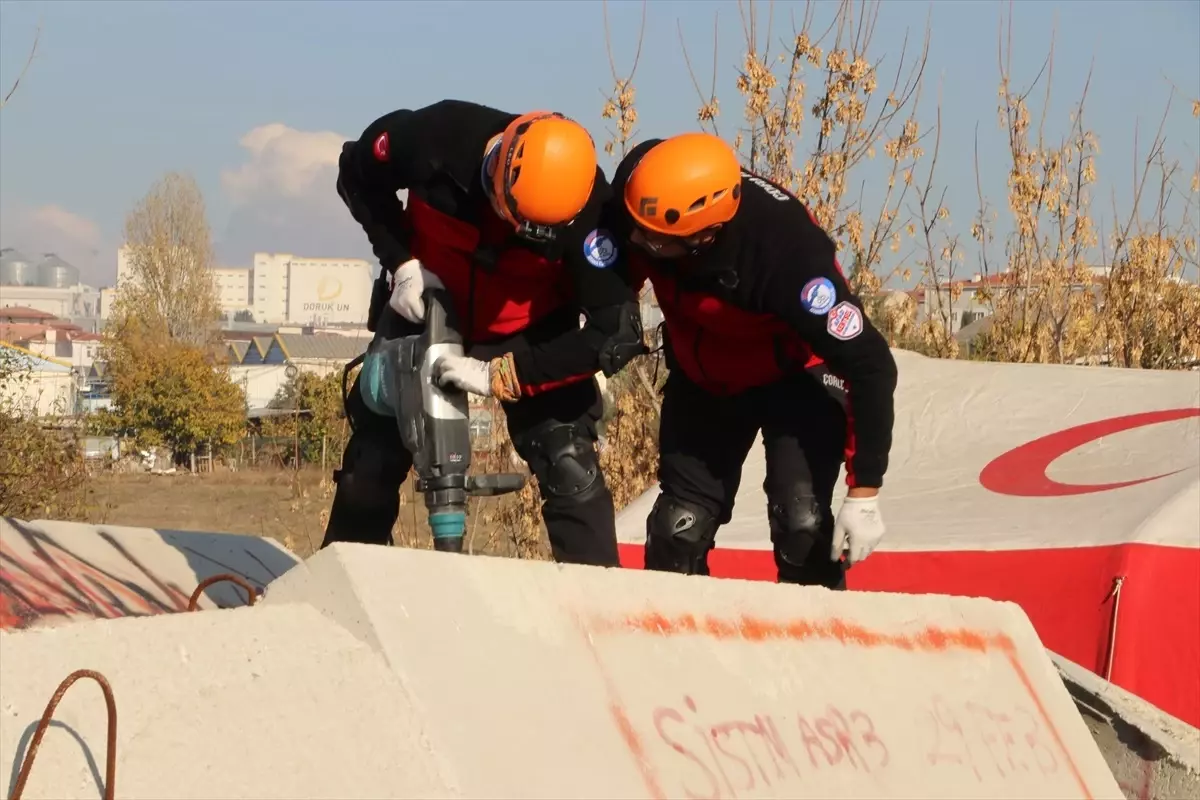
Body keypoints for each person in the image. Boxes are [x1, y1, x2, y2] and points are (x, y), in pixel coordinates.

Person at [324, 99, 645, 566]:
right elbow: (354, 172)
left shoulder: (594, 214)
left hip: (528, 329)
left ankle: (603, 617)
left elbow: (615, 332)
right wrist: (401, 261)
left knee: (571, 466)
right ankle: (338, 592)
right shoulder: (436, 136)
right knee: (368, 468)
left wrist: (507, 374)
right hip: (427, 304)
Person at [610, 132, 898, 589]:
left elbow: (873, 364)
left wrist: (865, 489)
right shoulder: (643, 191)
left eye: (656, 241)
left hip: (795, 377)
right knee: (676, 530)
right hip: (707, 377)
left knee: (801, 525)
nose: (637, 242)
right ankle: (674, 652)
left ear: (706, 234)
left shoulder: (791, 259)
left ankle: (818, 649)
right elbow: (610, 264)